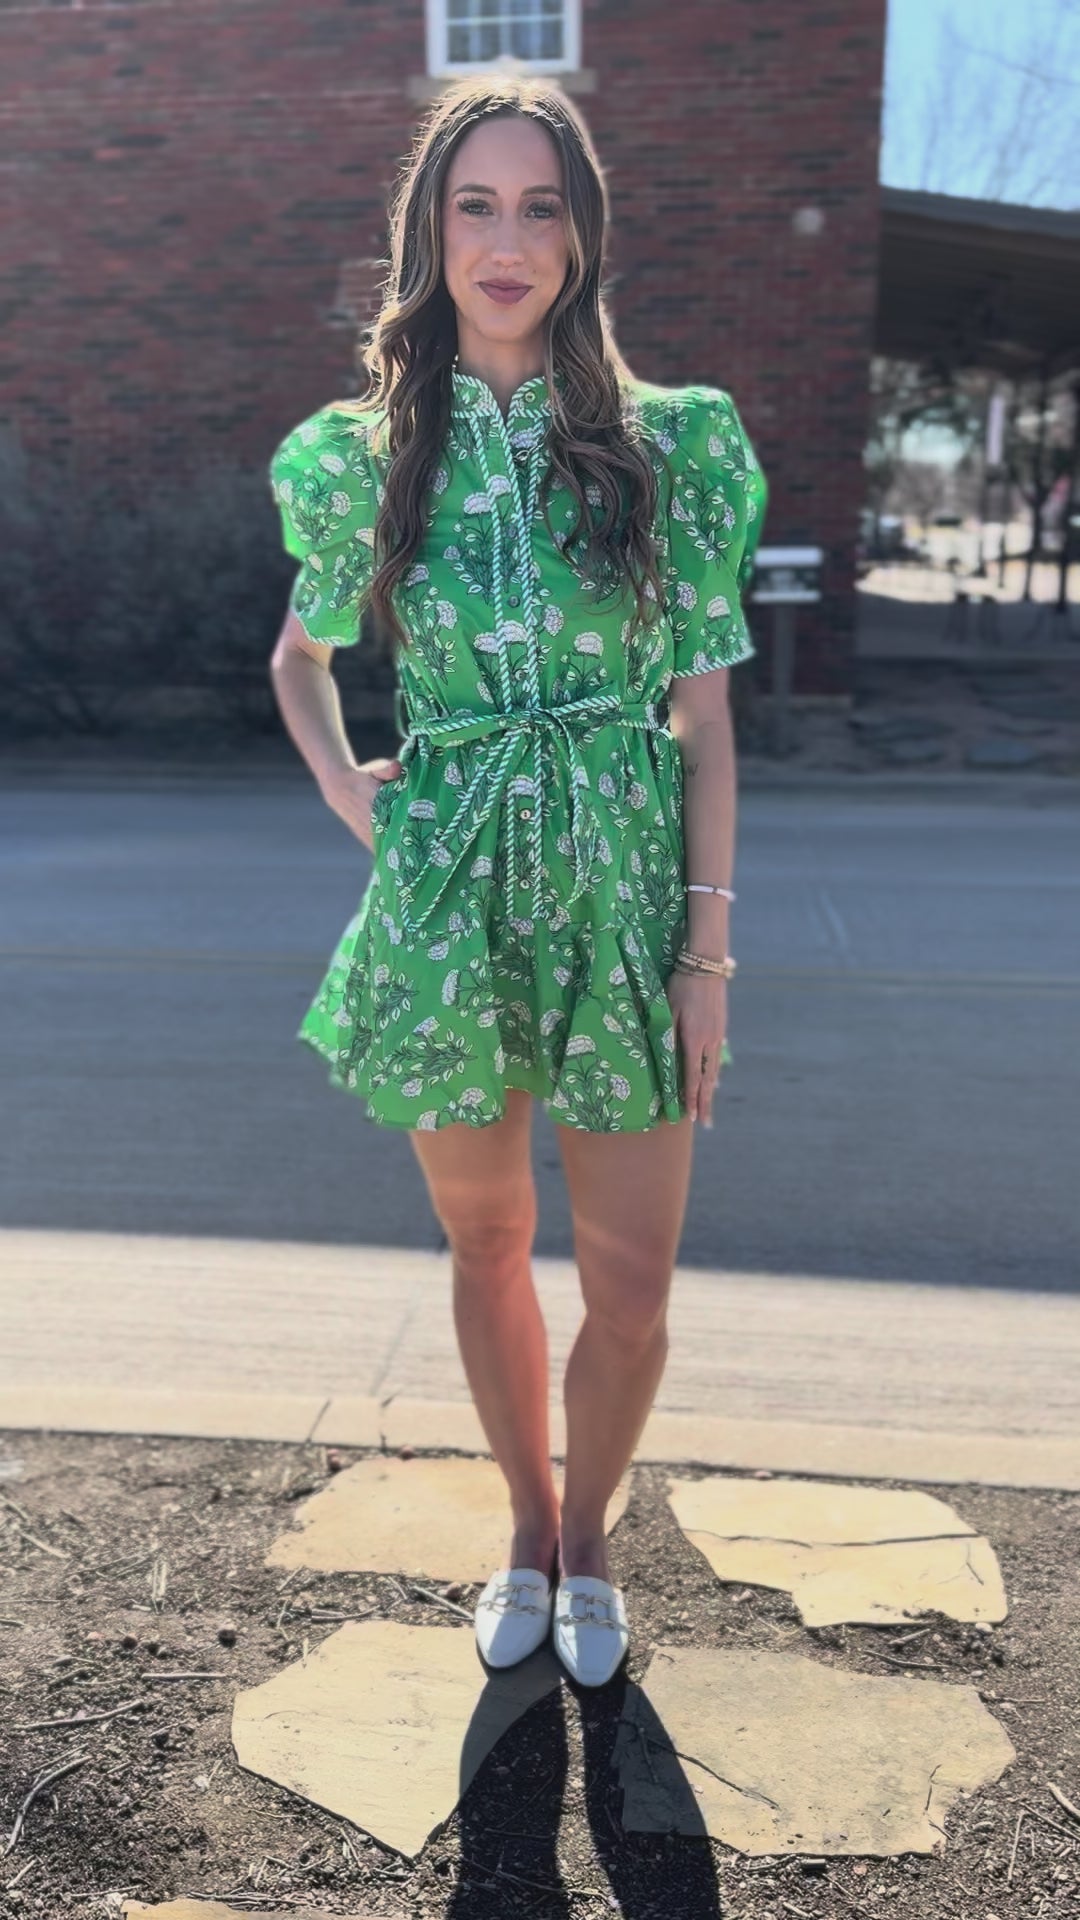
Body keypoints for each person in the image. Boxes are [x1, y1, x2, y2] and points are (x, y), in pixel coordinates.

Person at [268, 73, 768, 1688]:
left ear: (583, 232)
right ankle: (527, 1529)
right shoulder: (367, 454)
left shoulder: (665, 443)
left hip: (627, 908)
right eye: (474, 206)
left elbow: (701, 719)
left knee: (629, 1279)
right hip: (449, 909)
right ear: (431, 231)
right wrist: (365, 801)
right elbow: (302, 656)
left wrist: (707, 956)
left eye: (539, 206)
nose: (507, 240)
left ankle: (595, 1538)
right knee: (484, 1246)